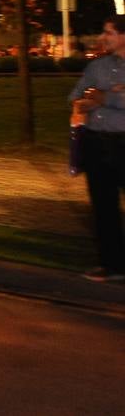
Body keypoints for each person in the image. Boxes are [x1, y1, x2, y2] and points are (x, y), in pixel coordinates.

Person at [69, 15, 125, 282]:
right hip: (97, 142)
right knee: (103, 207)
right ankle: (111, 264)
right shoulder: (97, 66)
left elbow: (99, 96)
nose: (103, 38)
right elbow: (77, 97)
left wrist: (106, 97)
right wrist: (93, 99)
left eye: (109, 33)